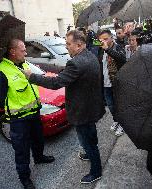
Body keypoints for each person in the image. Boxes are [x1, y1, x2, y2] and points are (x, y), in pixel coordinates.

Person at [23, 30, 105, 184]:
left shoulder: (76, 63)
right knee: (89, 138)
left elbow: (56, 83)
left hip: (83, 111)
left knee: (89, 141)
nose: (66, 47)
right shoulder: (90, 56)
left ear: (79, 44)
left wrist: (31, 77)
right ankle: (89, 154)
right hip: (91, 107)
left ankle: (96, 171)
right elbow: (79, 77)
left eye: (68, 44)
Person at [0, 39, 55, 189]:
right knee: (22, 150)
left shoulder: (24, 64)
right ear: (12, 51)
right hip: (19, 119)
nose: (26, 53)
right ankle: (25, 178)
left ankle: (39, 157)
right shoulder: (1, 71)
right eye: (23, 50)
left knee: (38, 139)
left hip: (34, 113)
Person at [97, 29, 127, 136]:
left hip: (117, 83)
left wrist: (108, 49)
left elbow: (123, 59)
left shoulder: (118, 47)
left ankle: (123, 124)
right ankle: (117, 121)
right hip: (106, 84)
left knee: (120, 105)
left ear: (111, 38)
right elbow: (100, 65)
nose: (103, 41)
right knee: (111, 105)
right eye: (101, 39)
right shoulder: (100, 50)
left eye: (105, 39)